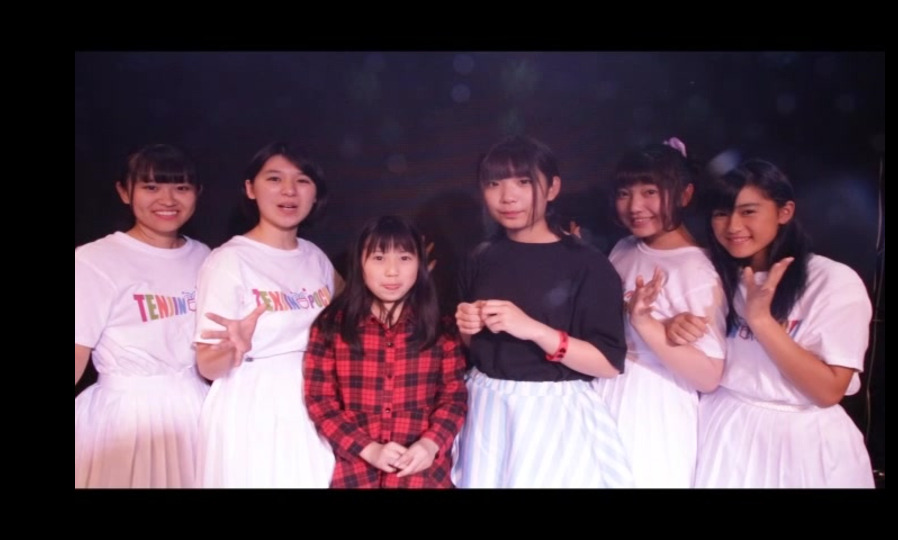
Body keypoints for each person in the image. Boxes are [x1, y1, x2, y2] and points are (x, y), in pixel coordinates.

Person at [666, 158, 874, 488]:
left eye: (748, 211)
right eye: (721, 213)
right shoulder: (716, 277)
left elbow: (828, 390)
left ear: (784, 212)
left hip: (804, 442)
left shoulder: (832, 281)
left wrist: (762, 321)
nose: (733, 226)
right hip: (727, 431)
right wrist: (677, 326)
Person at [452, 134, 632, 488]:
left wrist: (535, 330)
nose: (508, 197)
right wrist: (467, 327)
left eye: (523, 182)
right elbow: (476, 350)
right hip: (488, 410)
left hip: (553, 416)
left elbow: (608, 363)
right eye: (494, 184)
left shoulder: (587, 265)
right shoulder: (479, 257)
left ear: (552, 188)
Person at [193, 141, 337, 488]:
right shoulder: (229, 260)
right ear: (250, 188)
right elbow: (207, 366)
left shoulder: (315, 256)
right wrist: (233, 347)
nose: (289, 191)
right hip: (253, 405)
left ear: (315, 193)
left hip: (315, 398)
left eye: (302, 180)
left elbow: (353, 311)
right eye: (274, 179)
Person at [75, 143, 211, 488]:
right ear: (124, 192)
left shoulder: (206, 257)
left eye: (181, 187)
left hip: (196, 410)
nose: (167, 199)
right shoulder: (94, 261)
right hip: (126, 418)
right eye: (151, 187)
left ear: (197, 193)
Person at [592, 139, 726, 488]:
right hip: (605, 389)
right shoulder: (624, 247)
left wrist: (647, 324)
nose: (635, 206)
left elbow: (709, 376)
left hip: (653, 409)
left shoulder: (697, 270)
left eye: (650, 192)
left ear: (684, 194)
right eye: (625, 193)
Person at [303, 215, 468, 488]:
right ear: (360, 263)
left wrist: (430, 444)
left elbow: (454, 396)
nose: (392, 271)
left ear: (420, 264)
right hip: (356, 473)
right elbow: (320, 400)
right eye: (379, 258)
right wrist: (368, 449)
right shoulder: (332, 326)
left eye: (404, 258)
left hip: (422, 475)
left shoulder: (441, 326)